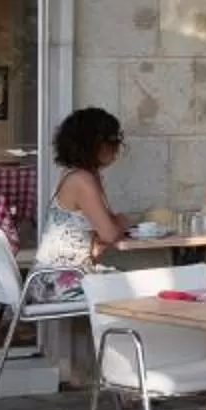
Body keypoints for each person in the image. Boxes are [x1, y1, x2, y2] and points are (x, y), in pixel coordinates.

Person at [35, 106, 136, 283]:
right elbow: (110, 234)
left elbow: (99, 234)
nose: (117, 148)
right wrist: (123, 221)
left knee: (135, 284)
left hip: (57, 276)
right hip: (61, 282)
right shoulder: (83, 181)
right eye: (112, 140)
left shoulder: (74, 175)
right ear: (96, 144)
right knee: (138, 287)